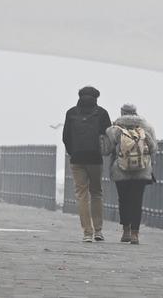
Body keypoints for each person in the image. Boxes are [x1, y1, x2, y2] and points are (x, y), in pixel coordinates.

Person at [63, 86, 112, 242]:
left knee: (82, 195)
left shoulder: (71, 113)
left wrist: (73, 152)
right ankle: (98, 231)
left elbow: (66, 137)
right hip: (95, 159)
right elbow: (108, 137)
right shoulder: (102, 113)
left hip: (77, 159)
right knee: (96, 193)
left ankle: (87, 233)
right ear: (96, 97)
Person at [104, 103, 157, 244]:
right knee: (136, 201)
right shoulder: (147, 128)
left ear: (121, 112)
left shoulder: (114, 129)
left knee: (124, 200)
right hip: (142, 170)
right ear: (136, 112)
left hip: (120, 170)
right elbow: (153, 148)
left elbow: (106, 150)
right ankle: (135, 234)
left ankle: (126, 231)